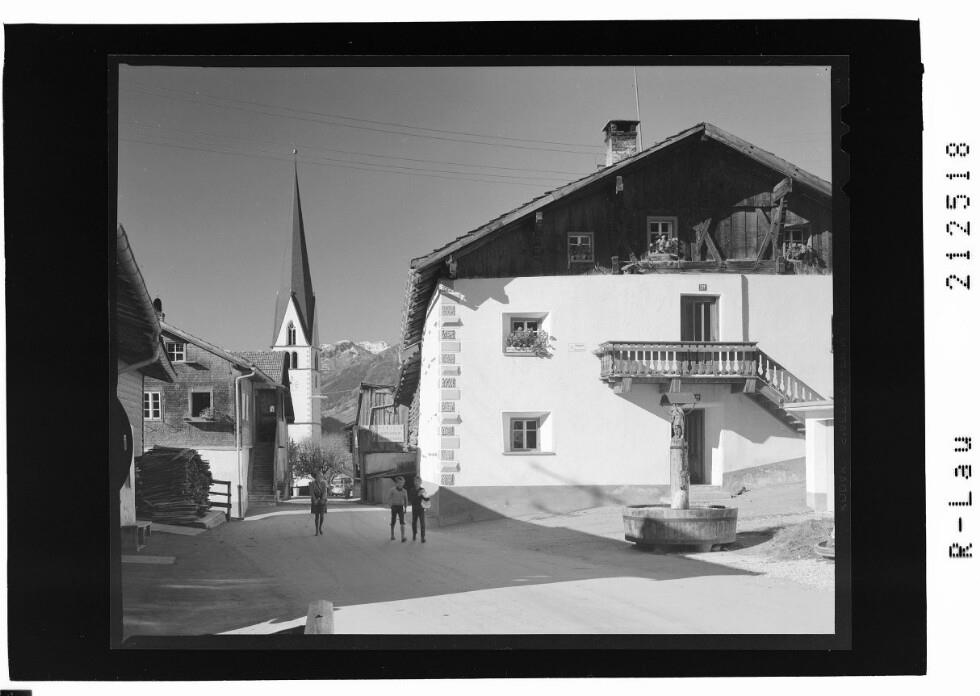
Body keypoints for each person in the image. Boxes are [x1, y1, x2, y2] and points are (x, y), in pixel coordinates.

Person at [385, 475, 409, 542]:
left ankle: (403, 537)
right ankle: (392, 535)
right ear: (396, 483)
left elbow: (406, 500)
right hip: (394, 507)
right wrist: (390, 505)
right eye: (399, 483)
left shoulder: (404, 491)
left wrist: (405, 508)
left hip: (401, 507)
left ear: (403, 483)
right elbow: (388, 498)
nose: (401, 484)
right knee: (393, 521)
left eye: (402, 483)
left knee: (402, 522)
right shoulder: (392, 490)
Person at [408, 475, 430, 543]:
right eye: (416, 481)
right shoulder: (412, 490)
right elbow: (411, 500)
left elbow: (427, 499)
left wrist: (426, 494)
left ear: (420, 482)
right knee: (414, 522)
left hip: (421, 509)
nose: (417, 482)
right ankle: (414, 534)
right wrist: (418, 495)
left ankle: (422, 537)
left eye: (418, 481)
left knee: (422, 523)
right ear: (414, 482)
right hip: (414, 508)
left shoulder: (422, 489)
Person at [310, 469, 327, 536]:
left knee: (322, 516)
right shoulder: (312, 483)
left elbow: (325, 492)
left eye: (321, 476)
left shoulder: (324, 483)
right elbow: (312, 493)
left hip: (322, 500)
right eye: (318, 476)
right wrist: (315, 500)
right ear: (316, 477)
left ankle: (320, 528)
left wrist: (322, 499)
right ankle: (316, 530)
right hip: (315, 501)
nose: (320, 477)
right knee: (316, 516)